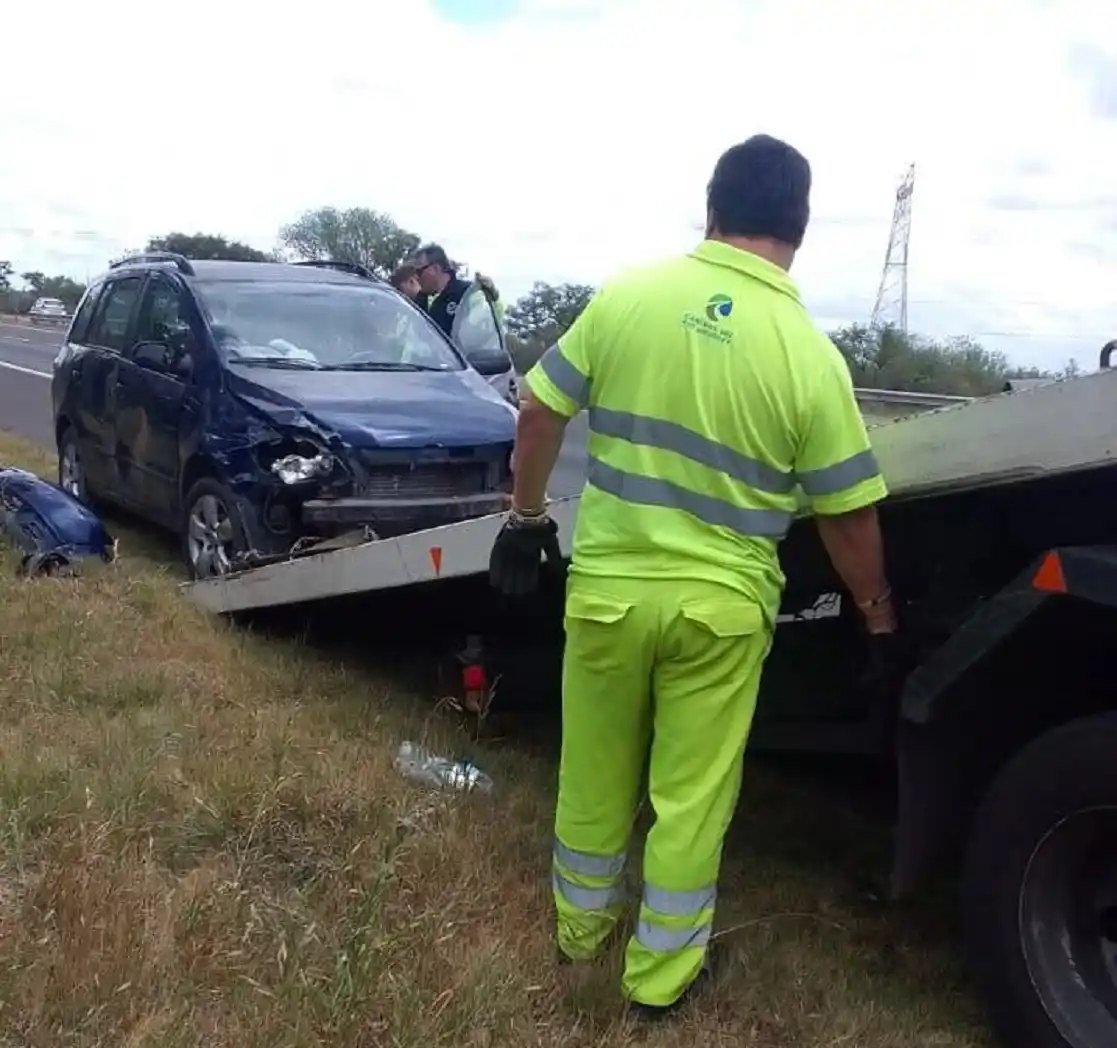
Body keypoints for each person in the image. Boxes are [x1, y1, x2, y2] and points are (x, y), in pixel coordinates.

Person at [488, 134, 901, 1019]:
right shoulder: (808, 355)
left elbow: (535, 408)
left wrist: (524, 522)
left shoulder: (629, 297)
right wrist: (875, 616)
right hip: (719, 614)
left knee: (593, 772)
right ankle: (659, 980)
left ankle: (578, 935)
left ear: (710, 210)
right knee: (690, 798)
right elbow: (848, 514)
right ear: (799, 229)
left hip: (606, 593)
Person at [407, 243, 506, 333]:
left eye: (419, 272)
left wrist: (493, 295)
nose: (416, 277)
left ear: (435, 268)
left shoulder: (467, 294)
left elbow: (492, 323)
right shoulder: (419, 300)